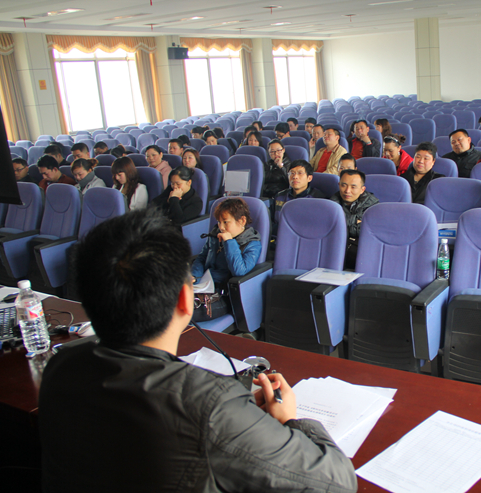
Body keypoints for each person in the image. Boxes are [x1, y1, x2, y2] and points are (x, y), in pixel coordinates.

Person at [38, 209, 357, 493]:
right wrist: (289, 421)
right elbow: (338, 481)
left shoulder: (61, 367)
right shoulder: (210, 404)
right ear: (185, 299)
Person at [191, 198, 262, 321]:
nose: (221, 227)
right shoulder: (214, 236)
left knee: (178, 313)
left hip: (222, 296)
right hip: (202, 287)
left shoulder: (252, 244)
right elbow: (201, 258)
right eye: (219, 222)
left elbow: (239, 271)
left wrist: (229, 242)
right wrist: (194, 278)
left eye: (225, 222)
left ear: (242, 221)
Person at [330, 169, 379, 268]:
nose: (347, 191)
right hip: (334, 249)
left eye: (353, 187)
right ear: (339, 185)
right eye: (344, 185)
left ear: (362, 190)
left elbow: (369, 233)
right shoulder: (331, 204)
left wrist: (343, 223)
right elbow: (330, 230)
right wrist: (356, 222)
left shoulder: (372, 206)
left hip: (361, 253)